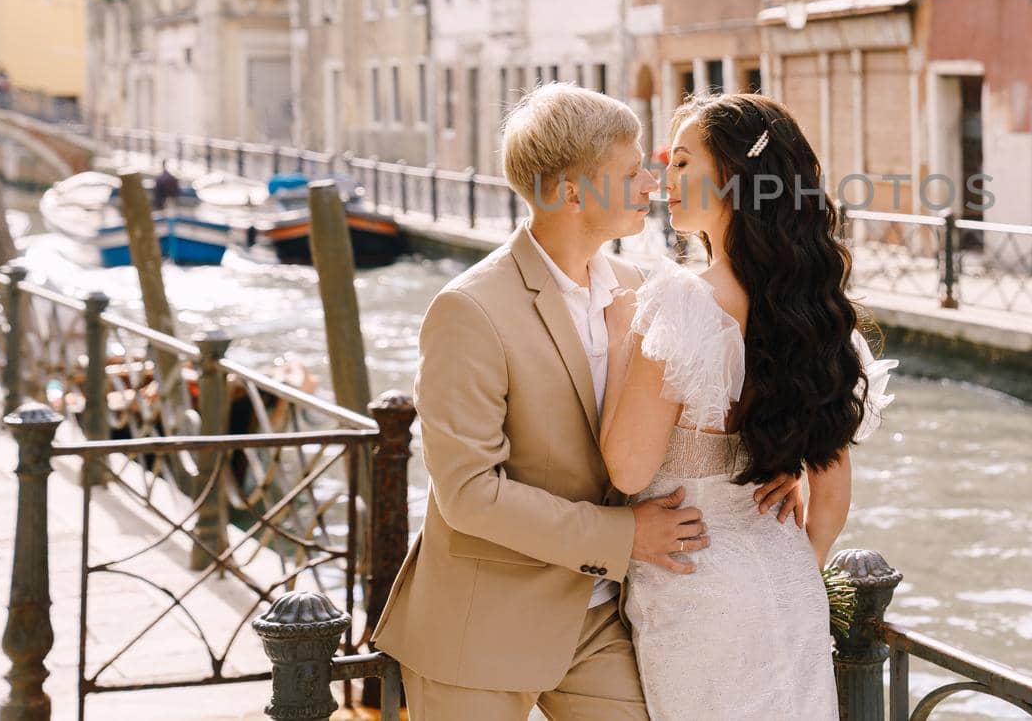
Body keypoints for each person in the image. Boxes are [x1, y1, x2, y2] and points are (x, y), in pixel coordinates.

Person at [371, 82, 803, 720]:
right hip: (482, 622)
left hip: (602, 618)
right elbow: (467, 494)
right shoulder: (469, 310)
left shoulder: (643, 291)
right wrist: (624, 535)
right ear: (573, 193)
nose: (650, 187)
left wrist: (775, 460)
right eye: (631, 173)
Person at [600, 91, 897, 720]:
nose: (666, 181)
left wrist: (623, 343)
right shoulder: (816, 319)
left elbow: (627, 469)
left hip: (695, 587)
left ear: (734, 178)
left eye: (682, 163)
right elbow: (833, 497)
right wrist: (795, 566)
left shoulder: (682, 305)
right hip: (789, 582)